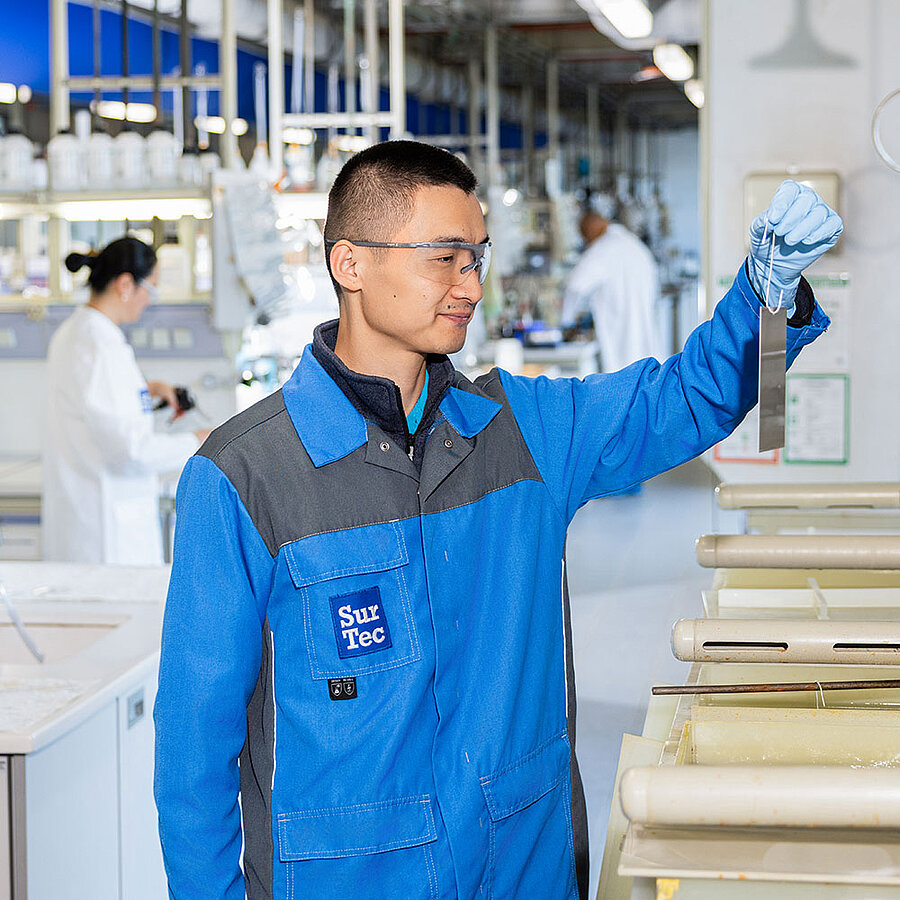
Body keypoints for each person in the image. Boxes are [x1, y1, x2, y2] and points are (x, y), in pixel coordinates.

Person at [153, 142, 840, 900]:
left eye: (476, 257)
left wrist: (766, 300)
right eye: (444, 258)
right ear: (350, 264)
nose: (471, 285)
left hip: (521, 865)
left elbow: (685, 399)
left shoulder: (528, 432)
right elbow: (195, 752)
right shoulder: (245, 477)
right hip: (345, 878)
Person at [43, 237, 210, 565]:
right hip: (107, 538)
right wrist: (197, 441)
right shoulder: (100, 346)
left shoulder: (78, 332)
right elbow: (129, 452)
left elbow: (92, 403)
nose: (150, 300)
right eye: (152, 289)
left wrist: (149, 390)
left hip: (84, 525)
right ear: (124, 284)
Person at [561, 205, 662, 372]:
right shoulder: (634, 245)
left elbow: (575, 286)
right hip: (642, 333)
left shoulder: (603, 248)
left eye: (585, 236)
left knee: (622, 380)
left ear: (590, 230)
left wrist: (566, 322)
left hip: (620, 336)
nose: (586, 243)